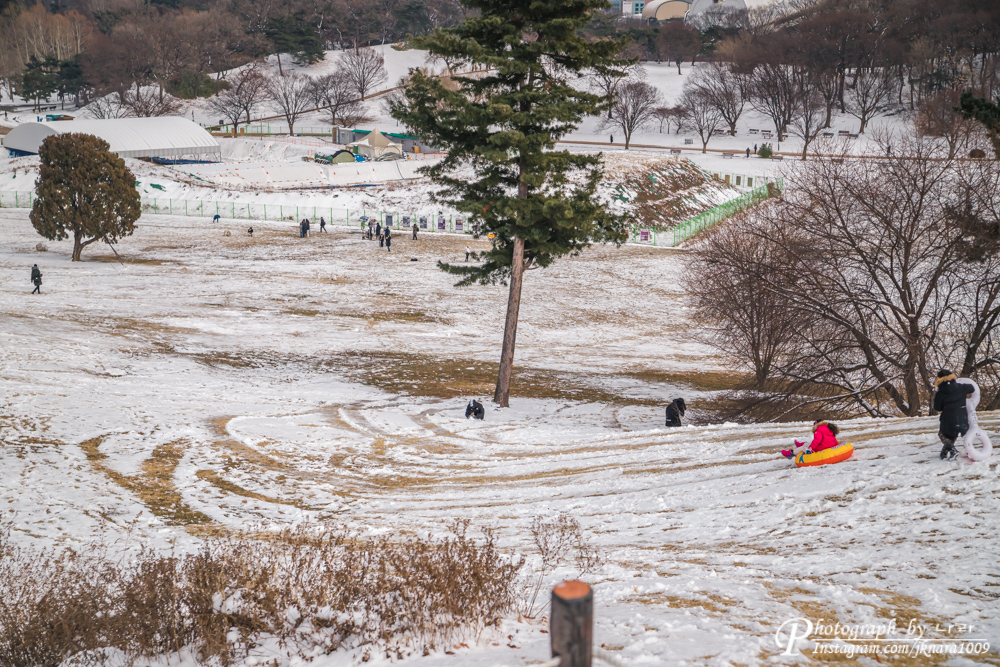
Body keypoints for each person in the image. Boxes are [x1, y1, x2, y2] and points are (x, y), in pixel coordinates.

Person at [933, 370, 976, 460]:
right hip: (962, 418)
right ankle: (944, 452)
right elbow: (972, 388)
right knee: (951, 435)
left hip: (948, 419)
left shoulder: (940, 394)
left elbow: (937, 408)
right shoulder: (961, 387)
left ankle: (953, 450)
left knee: (943, 434)